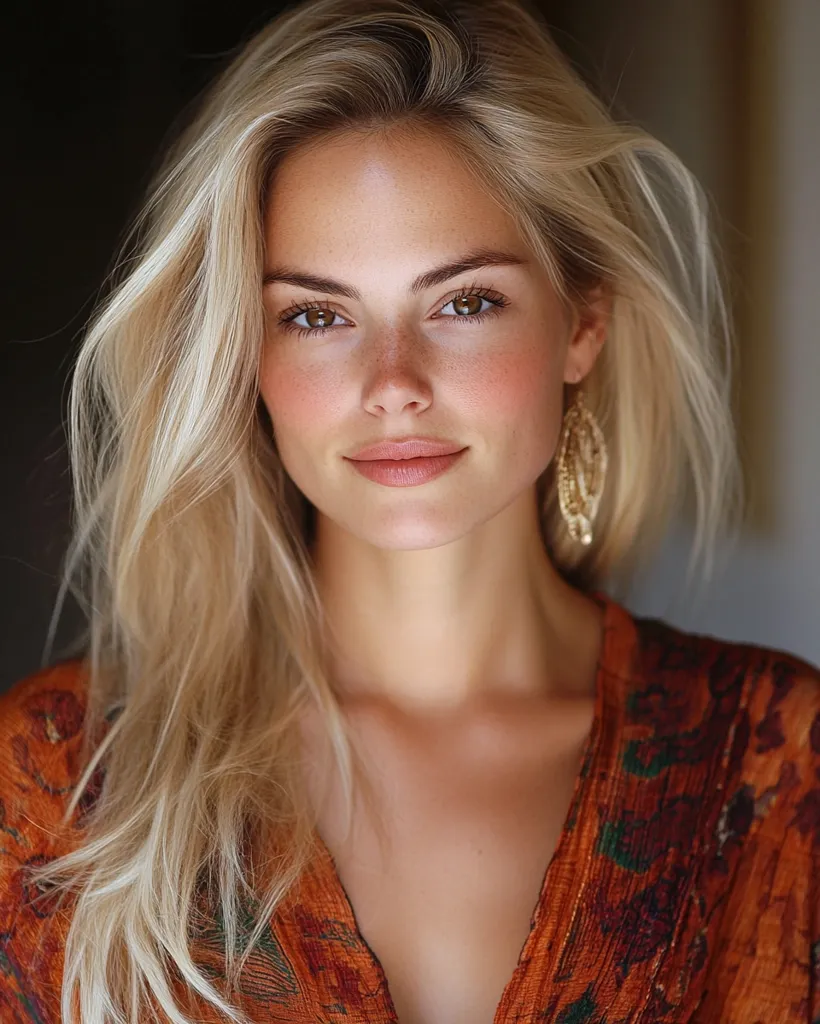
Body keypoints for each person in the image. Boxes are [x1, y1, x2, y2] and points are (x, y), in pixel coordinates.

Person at [1, 0, 817, 1021]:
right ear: (245, 355)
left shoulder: (772, 762)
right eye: (316, 315)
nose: (393, 384)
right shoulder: (57, 780)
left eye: (463, 302)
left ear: (582, 324)